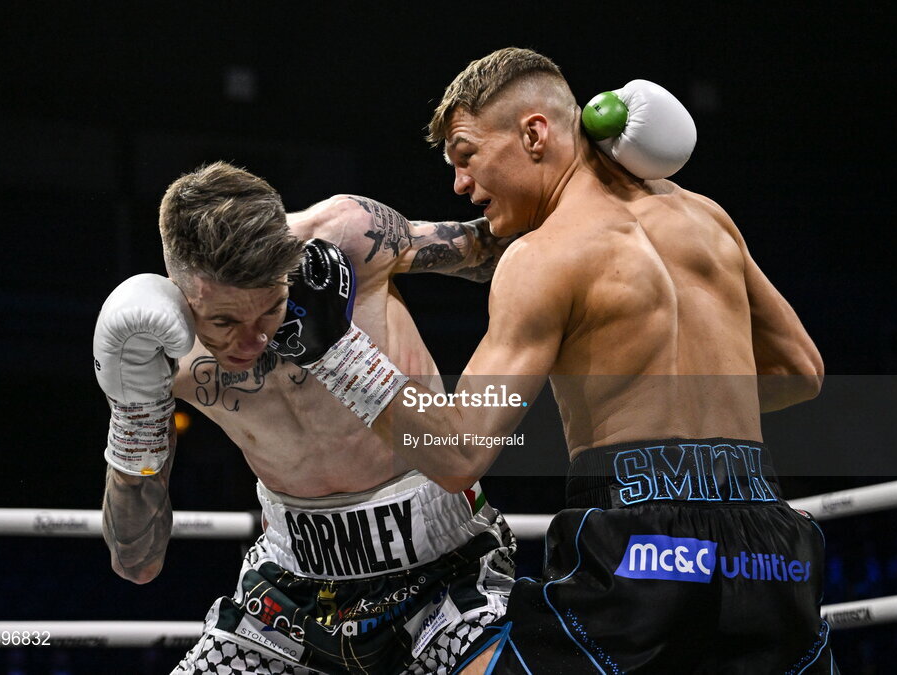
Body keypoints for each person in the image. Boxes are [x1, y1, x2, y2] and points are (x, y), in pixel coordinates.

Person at [277, 48, 836, 673]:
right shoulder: (707, 218)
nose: (460, 184)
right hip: (770, 547)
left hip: (642, 551)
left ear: (534, 134)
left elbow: (461, 455)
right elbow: (800, 371)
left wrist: (342, 355)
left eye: (467, 155)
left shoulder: (543, 256)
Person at [92, 161, 519, 674]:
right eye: (224, 321)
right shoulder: (162, 354)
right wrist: (133, 417)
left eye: (270, 308)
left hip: (445, 571)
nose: (254, 340)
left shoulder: (349, 237)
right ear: (184, 297)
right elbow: (136, 562)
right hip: (288, 600)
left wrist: (604, 179)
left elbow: (498, 251)